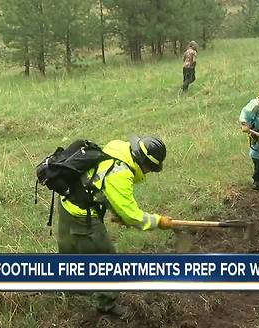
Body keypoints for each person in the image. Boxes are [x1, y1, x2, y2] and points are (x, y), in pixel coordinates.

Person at [57, 135, 173, 316]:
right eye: (150, 169)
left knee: (70, 247)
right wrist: (158, 221)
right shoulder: (121, 174)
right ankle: (107, 305)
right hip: (83, 216)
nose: (149, 172)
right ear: (144, 164)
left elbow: (100, 182)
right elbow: (133, 216)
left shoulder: (118, 148)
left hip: (67, 202)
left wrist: (118, 213)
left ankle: (71, 285)